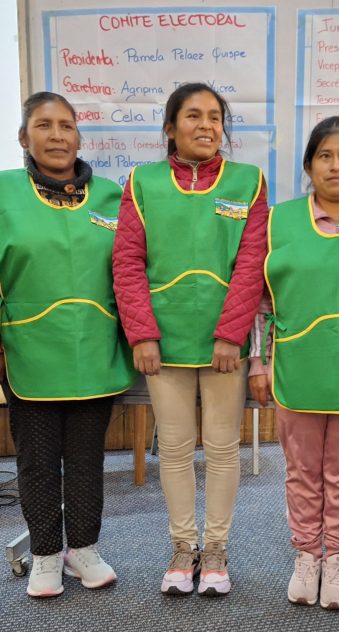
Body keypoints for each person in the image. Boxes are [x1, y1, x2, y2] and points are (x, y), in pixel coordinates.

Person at [113, 82, 269, 597]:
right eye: (193, 116)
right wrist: (143, 335)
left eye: (214, 117)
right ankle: (183, 547)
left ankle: (217, 549)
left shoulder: (248, 181)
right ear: (170, 128)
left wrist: (231, 334)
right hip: (163, 342)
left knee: (223, 449)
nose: (206, 125)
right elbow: (128, 262)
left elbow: (252, 263)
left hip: (225, 344)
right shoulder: (142, 182)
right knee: (176, 450)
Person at [0, 92, 134, 598]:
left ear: (79, 137)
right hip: (27, 350)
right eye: (44, 125)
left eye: (67, 125)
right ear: (24, 137)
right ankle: (45, 553)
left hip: (95, 347)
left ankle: (82, 549)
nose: (58, 135)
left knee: (87, 460)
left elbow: (129, 271)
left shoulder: (111, 196)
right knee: (38, 460)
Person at [247, 116, 339, 610]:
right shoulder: (279, 221)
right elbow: (261, 300)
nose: (336, 166)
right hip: (297, 369)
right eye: (325, 156)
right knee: (301, 472)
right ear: (310, 165)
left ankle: (336, 557)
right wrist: (258, 361)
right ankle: (306, 555)